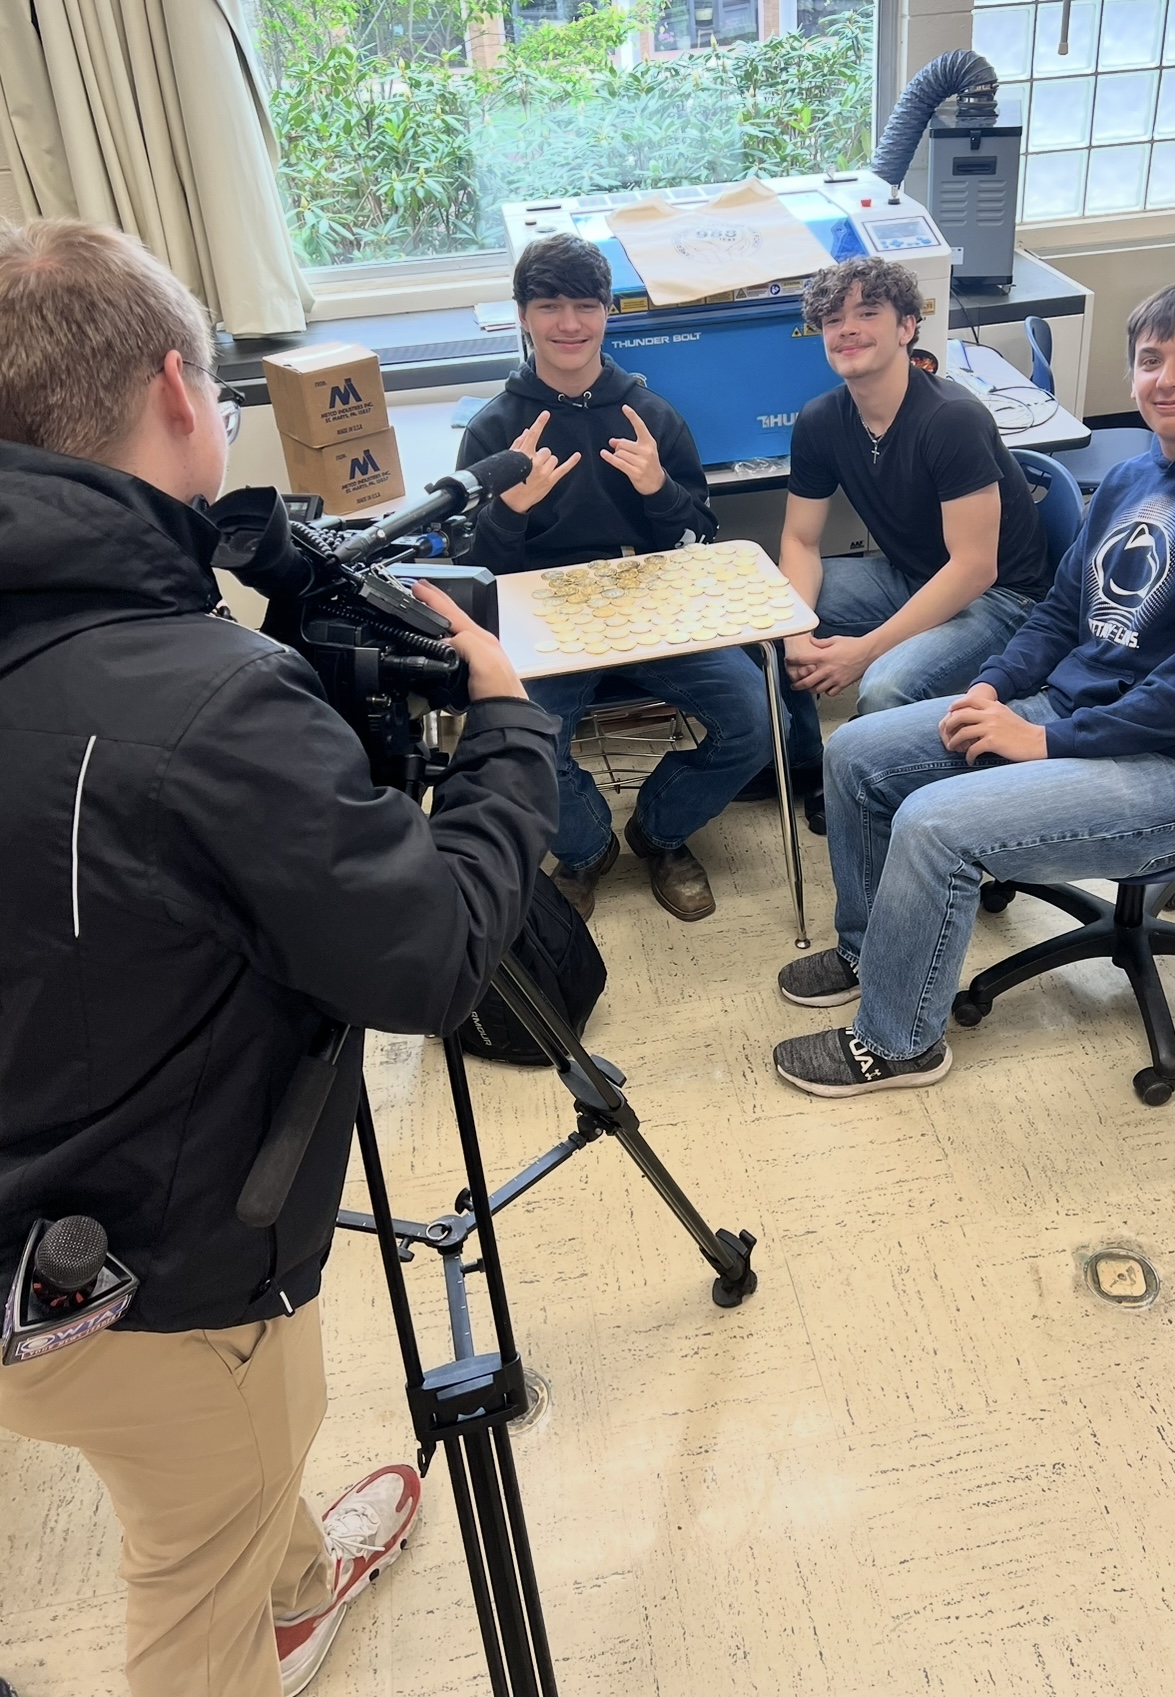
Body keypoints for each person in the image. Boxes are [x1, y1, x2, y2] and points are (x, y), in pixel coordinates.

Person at [0, 219, 559, 1697]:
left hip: (42, 1239)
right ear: (176, 391)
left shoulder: (176, 679)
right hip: (145, 1280)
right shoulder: (212, 700)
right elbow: (425, 961)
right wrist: (508, 739)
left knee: (217, 1470)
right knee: (191, 1577)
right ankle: (258, 1614)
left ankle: (299, 1584)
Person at [770, 281, 1175, 1098]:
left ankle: (897, 1042)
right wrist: (993, 687)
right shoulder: (1132, 477)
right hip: (1076, 713)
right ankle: (871, 951)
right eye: (1150, 360)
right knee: (857, 753)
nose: (1166, 378)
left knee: (934, 824)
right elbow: (1056, 611)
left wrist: (1044, 739)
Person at [457, 233, 774, 922]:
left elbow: (698, 539)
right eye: (549, 306)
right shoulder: (493, 429)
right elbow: (473, 571)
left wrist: (658, 488)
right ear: (522, 315)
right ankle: (586, 849)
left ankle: (659, 832)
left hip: (652, 602)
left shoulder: (649, 415)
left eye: (585, 305)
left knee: (754, 720)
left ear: (607, 313)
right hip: (543, 620)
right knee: (520, 743)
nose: (569, 323)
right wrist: (511, 511)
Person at [748, 255, 1051, 831]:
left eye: (868, 313)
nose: (848, 330)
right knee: (760, 616)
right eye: (833, 320)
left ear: (907, 327)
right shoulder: (821, 420)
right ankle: (808, 764)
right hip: (912, 576)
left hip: (1003, 599)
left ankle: (898, 814)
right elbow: (800, 540)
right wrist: (795, 632)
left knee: (886, 687)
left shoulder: (951, 418)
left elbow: (974, 568)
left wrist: (865, 651)